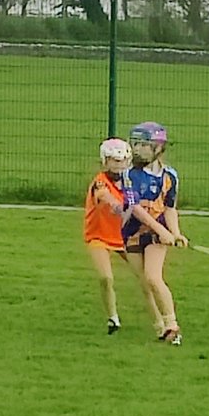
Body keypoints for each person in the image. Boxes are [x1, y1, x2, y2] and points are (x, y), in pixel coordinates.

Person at [123, 121, 186, 345]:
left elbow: (170, 208)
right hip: (131, 232)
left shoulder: (170, 176)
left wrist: (175, 232)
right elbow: (135, 208)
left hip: (156, 235)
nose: (138, 149)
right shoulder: (128, 174)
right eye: (136, 144)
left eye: (144, 145)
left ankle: (172, 325)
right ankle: (159, 327)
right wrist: (162, 229)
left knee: (153, 277)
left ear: (158, 148)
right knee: (144, 283)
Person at [84, 137, 136, 334]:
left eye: (123, 161)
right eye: (115, 161)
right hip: (98, 236)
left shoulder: (131, 182)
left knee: (147, 277)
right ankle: (113, 318)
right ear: (105, 161)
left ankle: (163, 321)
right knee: (106, 277)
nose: (119, 165)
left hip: (123, 237)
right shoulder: (100, 182)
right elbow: (105, 197)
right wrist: (117, 205)